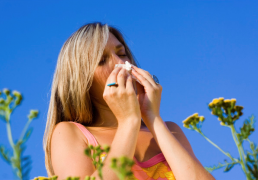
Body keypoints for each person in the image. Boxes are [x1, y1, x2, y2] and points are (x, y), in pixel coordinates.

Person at [43, 22, 215, 180]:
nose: (120, 64)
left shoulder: (171, 130)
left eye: (122, 54)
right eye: (102, 60)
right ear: (80, 81)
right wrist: (128, 122)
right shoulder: (70, 133)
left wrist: (152, 118)